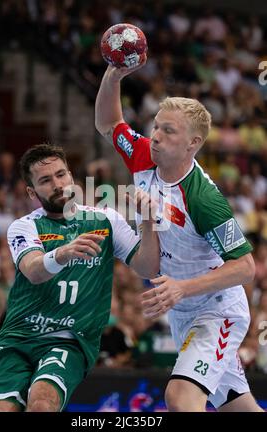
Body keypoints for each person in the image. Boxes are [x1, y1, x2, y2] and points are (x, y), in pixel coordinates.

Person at [95, 62, 263, 412]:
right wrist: (113, 75)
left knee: (180, 396)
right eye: (156, 126)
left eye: (168, 131)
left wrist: (181, 288)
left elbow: (246, 267)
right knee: (239, 408)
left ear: (193, 143)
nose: (155, 135)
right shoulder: (144, 156)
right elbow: (108, 123)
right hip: (182, 313)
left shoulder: (203, 200)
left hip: (218, 311)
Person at [0, 144, 159, 412]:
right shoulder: (24, 226)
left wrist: (147, 222)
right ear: (31, 192)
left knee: (42, 402)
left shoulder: (105, 220)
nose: (57, 184)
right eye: (45, 180)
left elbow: (147, 268)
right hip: (17, 338)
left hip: (69, 338)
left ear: (71, 177)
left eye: (61, 175)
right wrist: (63, 253)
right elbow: (33, 270)